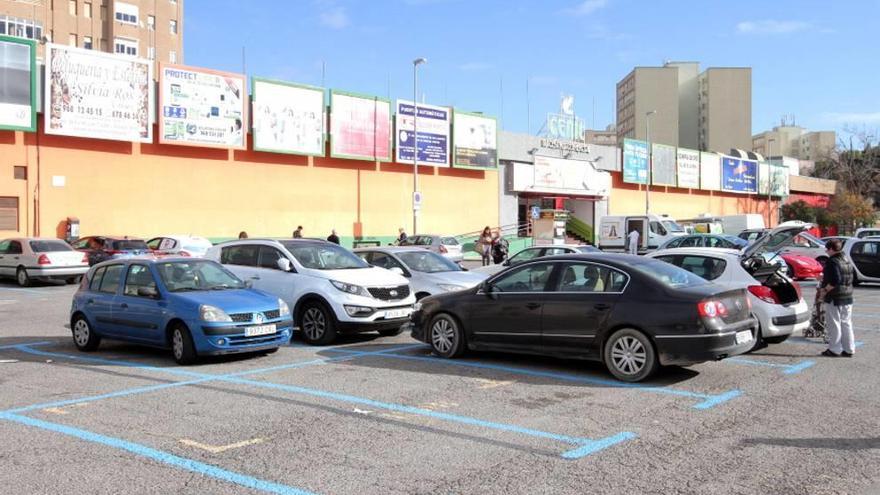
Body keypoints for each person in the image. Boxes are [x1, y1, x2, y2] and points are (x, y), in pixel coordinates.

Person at [818, 239, 855, 357]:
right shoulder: (846, 258)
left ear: (831, 249)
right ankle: (849, 349)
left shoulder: (832, 261)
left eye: (827, 249)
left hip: (835, 297)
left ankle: (834, 349)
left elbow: (835, 280)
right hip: (848, 295)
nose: (826, 251)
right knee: (846, 323)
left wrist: (824, 290)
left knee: (834, 324)